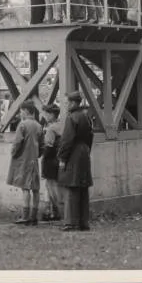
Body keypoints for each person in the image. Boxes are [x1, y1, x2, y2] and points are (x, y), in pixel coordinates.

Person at [58, 90, 94, 232]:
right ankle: (83, 222)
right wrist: (86, 151)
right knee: (83, 189)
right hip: (85, 153)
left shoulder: (71, 118)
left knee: (71, 189)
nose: (66, 105)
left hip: (73, 154)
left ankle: (71, 223)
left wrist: (62, 158)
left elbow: (67, 140)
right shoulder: (86, 117)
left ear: (73, 103)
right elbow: (91, 137)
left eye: (67, 102)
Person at [6, 101, 44, 225]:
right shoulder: (39, 126)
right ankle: (34, 216)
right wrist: (37, 154)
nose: (20, 113)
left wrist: (13, 153)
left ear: (26, 111)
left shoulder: (22, 125)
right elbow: (42, 145)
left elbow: (17, 142)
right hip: (34, 160)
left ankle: (25, 216)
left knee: (25, 187)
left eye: (21, 111)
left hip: (23, 160)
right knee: (36, 188)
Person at [40, 104, 64, 221]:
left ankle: (57, 211)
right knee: (53, 186)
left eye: (46, 114)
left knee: (51, 187)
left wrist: (43, 156)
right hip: (59, 159)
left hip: (50, 160)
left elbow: (48, 146)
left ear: (51, 114)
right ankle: (50, 212)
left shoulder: (51, 129)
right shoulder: (62, 125)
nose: (44, 116)